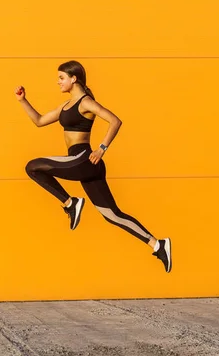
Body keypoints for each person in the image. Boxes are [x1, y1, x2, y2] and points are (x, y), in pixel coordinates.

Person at [14, 60, 172, 273]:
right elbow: (40, 120)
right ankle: (158, 245)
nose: (58, 82)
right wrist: (23, 101)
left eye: (61, 77)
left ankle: (70, 203)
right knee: (112, 215)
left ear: (73, 78)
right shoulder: (65, 106)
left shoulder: (85, 102)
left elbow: (115, 121)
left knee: (32, 166)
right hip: (81, 163)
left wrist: (101, 148)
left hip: (83, 159)